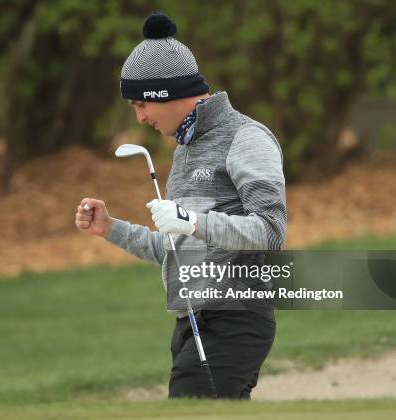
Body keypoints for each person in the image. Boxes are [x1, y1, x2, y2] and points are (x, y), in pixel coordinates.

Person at [75, 12, 286, 399]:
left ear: (166, 93)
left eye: (141, 104)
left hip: (237, 318)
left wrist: (191, 220)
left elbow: (270, 231)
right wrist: (110, 228)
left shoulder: (245, 137)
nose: (140, 117)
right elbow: (176, 248)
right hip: (190, 324)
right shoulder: (187, 151)